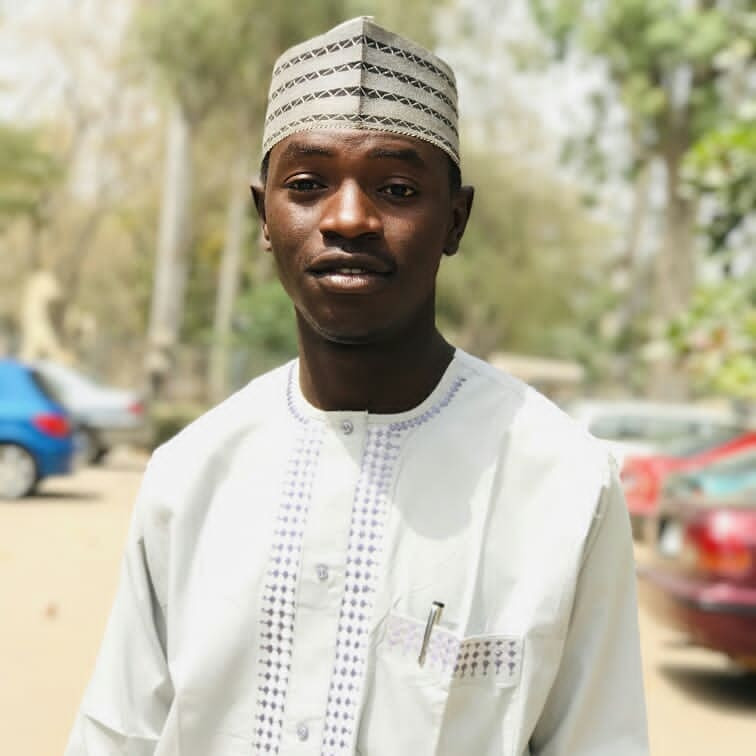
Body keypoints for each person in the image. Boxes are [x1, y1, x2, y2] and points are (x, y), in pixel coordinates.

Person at [66, 16, 649, 756]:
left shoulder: (563, 483)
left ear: (456, 221)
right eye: (308, 185)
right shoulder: (190, 475)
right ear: (265, 216)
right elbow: (119, 735)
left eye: (397, 188)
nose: (349, 219)